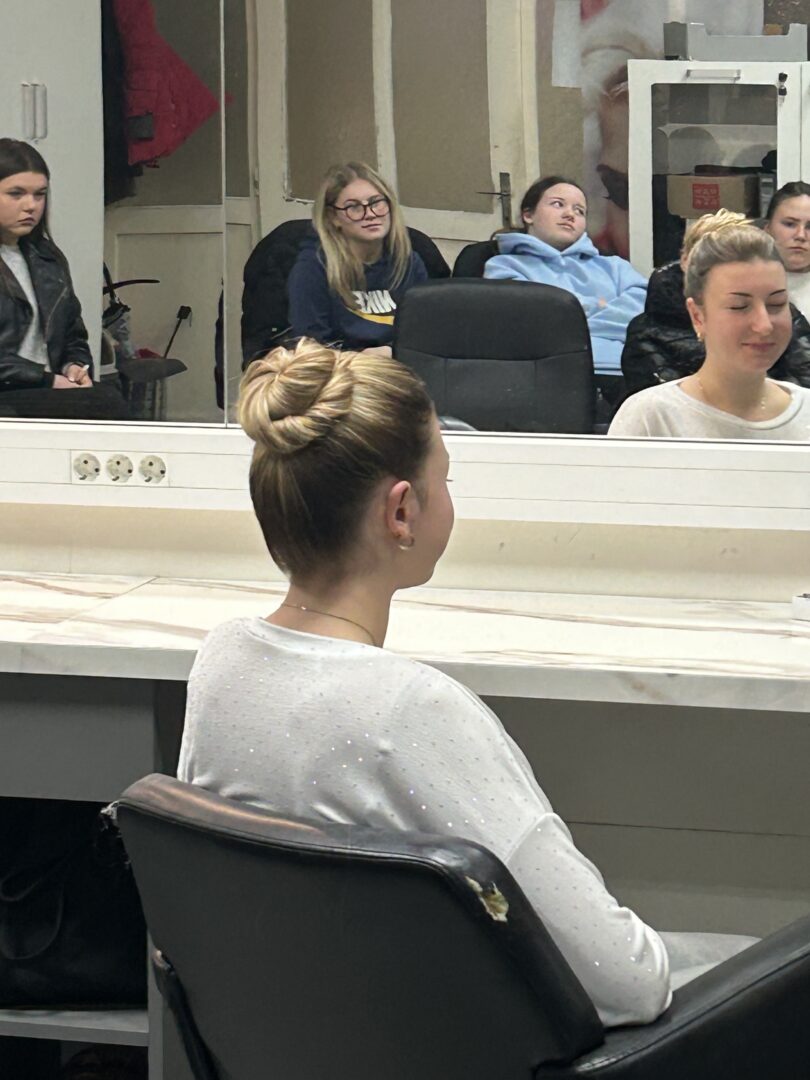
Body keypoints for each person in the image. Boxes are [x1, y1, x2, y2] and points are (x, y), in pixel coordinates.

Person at [178, 337, 755, 1027]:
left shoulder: (222, 663)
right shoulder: (409, 710)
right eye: (444, 478)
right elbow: (623, 983)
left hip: (297, 1040)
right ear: (401, 512)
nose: (448, 497)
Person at [609, 225, 810, 439]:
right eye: (739, 306)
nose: (764, 325)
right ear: (698, 316)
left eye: (776, 304)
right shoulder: (651, 417)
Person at [483, 175, 646, 403]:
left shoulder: (615, 267)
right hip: (547, 379)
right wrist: (601, 308)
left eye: (579, 211)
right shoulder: (504, 267)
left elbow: (643, 314)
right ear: (528, 215)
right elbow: (536, 325)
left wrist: (574, 323)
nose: (570, 214)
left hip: (623, 374)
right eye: (558, 204)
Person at [0, 138, 127, 419]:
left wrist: (74, 366)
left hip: (46, 389)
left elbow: (73, 334)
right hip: (16, 391)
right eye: (16, 194)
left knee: (109, 395)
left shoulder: (48, 258)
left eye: (39, 195)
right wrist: (46, 379)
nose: (30, 206)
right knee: (107, 403)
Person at [286, 162, 427, 358]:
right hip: (339, 372)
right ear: (333, 217)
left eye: (376, 203)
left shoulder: (409, 262)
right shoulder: (313, 268)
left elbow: (422, 334)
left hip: (398, 368)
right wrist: (362, 360)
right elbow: (311, 348)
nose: (370, 214)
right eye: (353, 207)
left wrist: (392, 352)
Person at [763, 181, 810, 321]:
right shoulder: (743, 283)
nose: (801, 235)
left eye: (809, 227)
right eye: (790, 224)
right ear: (768, 229)